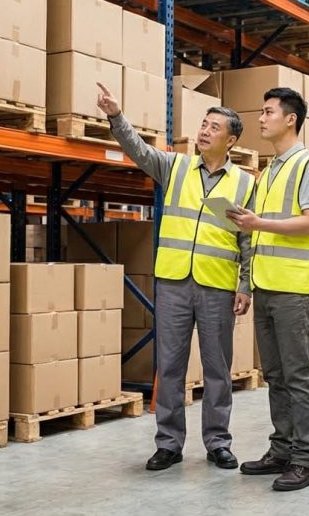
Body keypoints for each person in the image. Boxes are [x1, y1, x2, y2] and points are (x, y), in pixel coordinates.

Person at [95, 83, 255, 472]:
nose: (203, 131)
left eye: (213, 127)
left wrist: (245, 284)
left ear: (231, 140)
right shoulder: (177, 166)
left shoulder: (246, 184)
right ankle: (168, 443)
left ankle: (218, 442)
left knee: (218, 368)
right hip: (173, 283)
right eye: (202, 124)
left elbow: (250, 240)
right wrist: (117, 116)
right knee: (169, 366)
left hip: (217, 285)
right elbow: (139, 151)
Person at [226, 87, 309, 492]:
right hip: (267, 287)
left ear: (291, 119)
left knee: (298, 375)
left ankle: (305, 461)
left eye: (268, 112)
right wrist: (247, 284)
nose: (261, 118)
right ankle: (282, 449)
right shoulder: (268, 171)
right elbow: (259, 236)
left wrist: (259, 224)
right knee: (275, 374)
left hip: (294, 289)